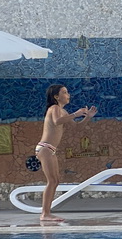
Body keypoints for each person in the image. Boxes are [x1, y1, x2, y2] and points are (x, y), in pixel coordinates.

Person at [36, 84, 97, 222]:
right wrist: (76, 113)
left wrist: (88, 117)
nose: (68, 94)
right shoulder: (54, 108)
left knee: (55, 180)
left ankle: (47, 213)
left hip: (50, 149)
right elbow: (57, 122)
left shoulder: (63, 112)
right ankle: (45, 214)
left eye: (68, 92)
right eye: (64, 92)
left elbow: (77, 128)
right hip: (45, 148)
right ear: (56, 96)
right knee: (52, 181)